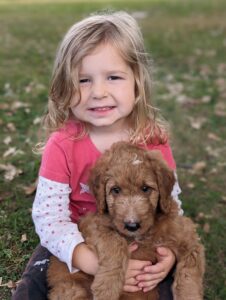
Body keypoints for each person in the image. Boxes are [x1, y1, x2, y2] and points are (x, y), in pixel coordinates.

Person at [12, 10, 183, 300]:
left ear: (137, 83)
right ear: (65, 87)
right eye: (83, 80)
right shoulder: (62, 144)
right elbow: (49, 219)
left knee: (163, 289)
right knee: (32, 290)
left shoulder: (152, 141)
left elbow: (171, 204)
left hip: (141, 240)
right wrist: (88, 260)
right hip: (77, 240)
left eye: (113, 77)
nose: (99, 92)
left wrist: (169, 256)